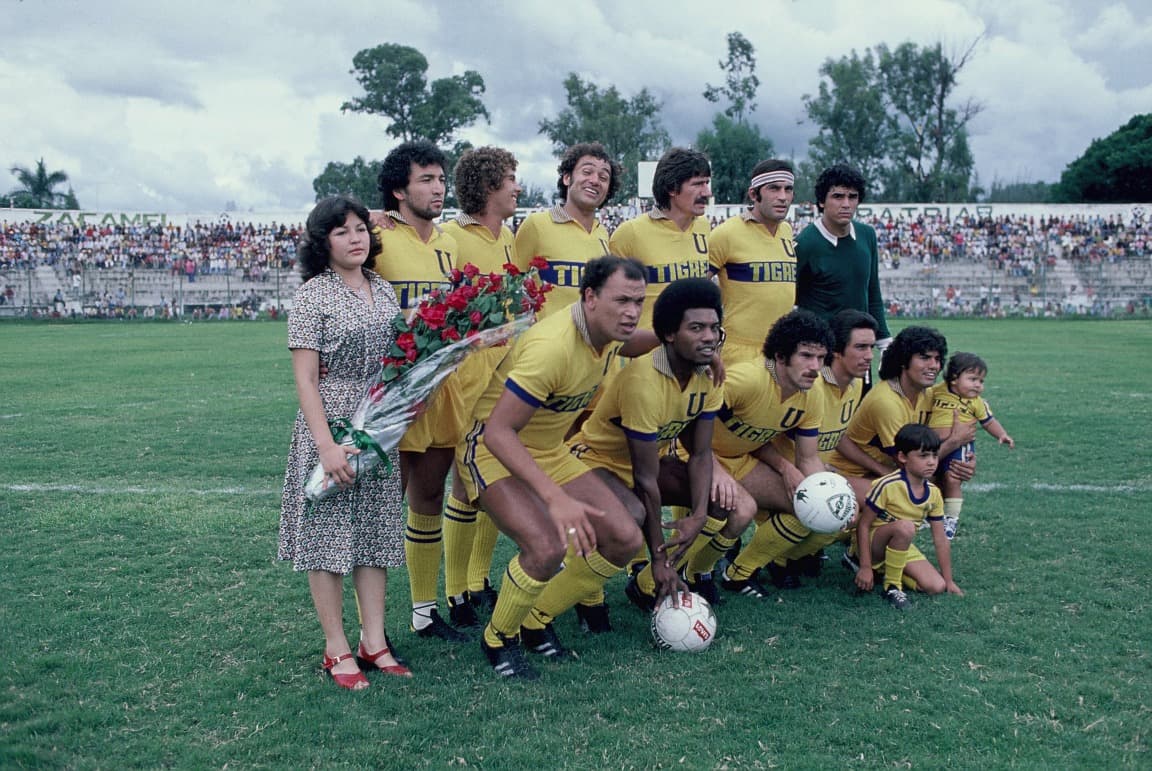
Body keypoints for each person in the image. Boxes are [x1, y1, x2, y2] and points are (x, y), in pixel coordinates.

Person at [456, 256, 658, 679]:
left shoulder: (607, 333)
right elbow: (498, 432)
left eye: (638, 301)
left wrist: (680, 338)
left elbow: (634, 339)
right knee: (546, 547)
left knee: (624, 538)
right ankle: (498, 638)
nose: (631, 312)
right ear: (589, 297)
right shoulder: (553, 347)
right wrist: (555, 499)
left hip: (549, 449)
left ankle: (537, 616)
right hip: (491, 448)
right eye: (621, 300)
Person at [279, 195, 410, 690]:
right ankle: (336, 648)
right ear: (322, 243)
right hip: (331, 424)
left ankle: (374, 641)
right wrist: (327, 447)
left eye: (361, 228)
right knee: (327, 539)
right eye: (342, 231)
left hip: (376, 424)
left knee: (376, 535)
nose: (356, 238)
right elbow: (306, 380)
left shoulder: (383, 288)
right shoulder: (313, 295)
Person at [568, 278, 724, 612]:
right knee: (633, 514)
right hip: (593, 461)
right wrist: (658, 557)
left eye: (714, 327)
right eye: (696, 328)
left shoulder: (708, 375)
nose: (709, 337)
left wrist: (697, 516)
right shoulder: (642, 381)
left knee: (721, 503)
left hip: (643, 466)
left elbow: (700, 453)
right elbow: (645, 479)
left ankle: (644, 588)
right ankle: (557, 606)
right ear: (669, 334)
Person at [372, 140, 468, 644]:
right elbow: (322, 237)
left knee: (430, 495)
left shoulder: (449, 241)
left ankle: (424, 614)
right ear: (398, 190)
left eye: (440, 178)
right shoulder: (376, 236)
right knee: (385, 502)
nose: (438, 188)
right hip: (391, 389)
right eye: (426, 179)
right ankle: (370, 626)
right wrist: (368, 216)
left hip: (440, 384)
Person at [439, 146, 526, 625]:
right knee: (461, 481)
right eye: (510, 178)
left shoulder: (510, 236)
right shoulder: (452, 235)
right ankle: (454, 591)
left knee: (490, 471)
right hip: (466, 376)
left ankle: (477, 580)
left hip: (507, 372)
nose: (517, 187)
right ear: (488, 184)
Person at [702, 310, 835, 600]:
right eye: (806, 356)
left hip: (740, 460)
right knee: (743, 510)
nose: (815, 367)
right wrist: (714, 470)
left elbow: (809, 458)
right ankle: (696, 574)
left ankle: (737, 573)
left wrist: (826, 495)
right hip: (697, 456)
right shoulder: (746, 379)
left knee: (807, 508)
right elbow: (690, 421)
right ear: (781, 354)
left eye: (821, 358)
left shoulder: (813, 392)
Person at [761, 309, 878, 589]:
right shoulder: (808, 385)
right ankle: (770, 562)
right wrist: (790, 469)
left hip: (815, 472)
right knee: (832, 510)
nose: (869, 356)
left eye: (872, 347)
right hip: (780, 475)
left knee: (854, 511)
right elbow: (762, 436)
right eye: (860, 347)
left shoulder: (857, 384)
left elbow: (836, 436)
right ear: (836, 350)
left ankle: (798, 553)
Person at [794, 164, 892, 389]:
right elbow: (789, 299)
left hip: (859, 351)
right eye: (837, 196)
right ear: (821, 201)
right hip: (822, 353)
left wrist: (884, 342)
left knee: (859, 417)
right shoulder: (805, 243)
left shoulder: (867, 235)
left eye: (852, 196)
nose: (846, 204)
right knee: (821, 419)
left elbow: (872, 291)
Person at [854, 423, 963, 609]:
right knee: (905, 527)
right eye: (923, 456)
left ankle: (885, 571)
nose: (931, 462)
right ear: (902, 457)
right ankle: (892, 586)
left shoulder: (934, 493)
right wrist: (865, 566)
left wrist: (949, 580)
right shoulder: (888, 485)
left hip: (901, 544)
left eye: (934, 455)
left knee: (936, 586)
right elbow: (863, 525)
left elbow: (940, 539)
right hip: (873, 544)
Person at [608, 147, 713, 331]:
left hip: (694, 353)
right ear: (672, 188)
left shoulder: (704, 226)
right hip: (649, 354)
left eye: (707, 183)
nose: (707, 193)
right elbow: (609, 300)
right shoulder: (631, 233)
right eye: (698, 184)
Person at [708, 159, 797, 365]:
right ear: (754, 194)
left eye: (788, 189)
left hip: (782, 352)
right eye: (773, 189)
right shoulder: (726, 234)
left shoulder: (787, 232)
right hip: (739, 353)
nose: (783, 197)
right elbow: (694, 292)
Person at [514, 142, 618, 318]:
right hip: (547, 343)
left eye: (603, 177)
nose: (595, 180)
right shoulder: (536, 225)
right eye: (587, 172)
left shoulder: (603, 234)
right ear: (567, 178)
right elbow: (512, 288)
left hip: (591, 344)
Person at [928, 352, 1015, 539]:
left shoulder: (976, 403)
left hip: (960, 447)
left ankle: (951, 518)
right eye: (973, 379)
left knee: (953, 478)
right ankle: (928, 513)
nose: (978, 385)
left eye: (981, 381)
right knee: (930, 478)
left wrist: (1002, 434)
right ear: (953, 379)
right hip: (935, 445)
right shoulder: (936, 391)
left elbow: (988, 421)